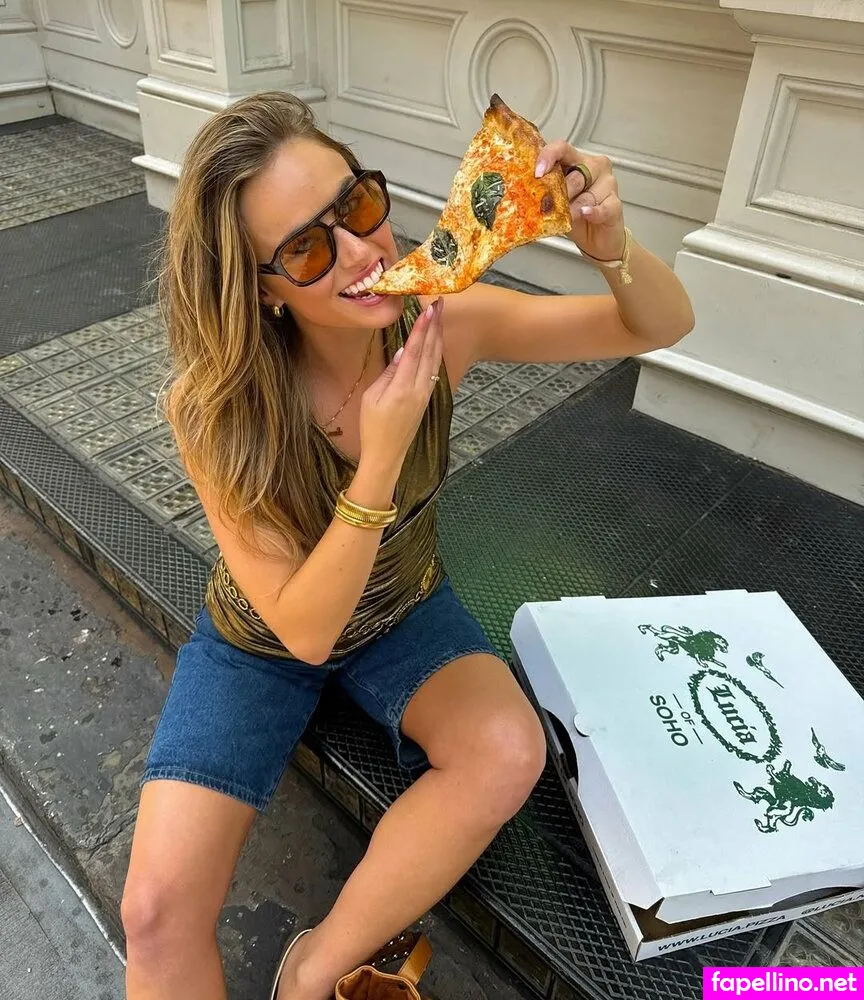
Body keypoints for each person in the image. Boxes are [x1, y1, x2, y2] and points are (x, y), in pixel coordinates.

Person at [120, 90, 695, 1000]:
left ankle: (313, 970)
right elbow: (305, 630)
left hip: (402, 607)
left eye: (356, 205)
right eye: (306, 249)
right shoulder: (215, 407)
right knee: (154, 914)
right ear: (263, 289)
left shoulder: (441, 321)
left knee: (508, 749)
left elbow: (657, 324)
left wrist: (610, 244)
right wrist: (380, 460)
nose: (360, 251)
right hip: (264, 641)